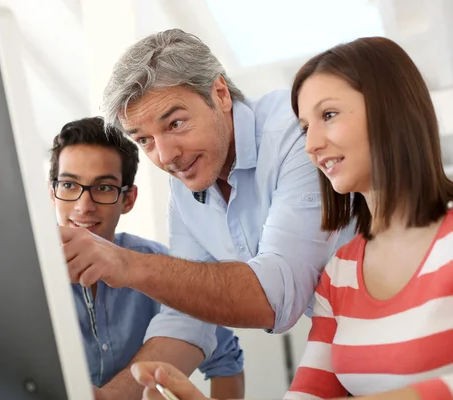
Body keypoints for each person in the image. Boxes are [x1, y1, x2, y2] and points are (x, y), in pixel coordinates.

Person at [130, 36, 453, 399]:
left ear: (390, 110)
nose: (310, 145)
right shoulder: (340, 274)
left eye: (328, 115)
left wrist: (128, 266)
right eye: (304, 128)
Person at [59, 28, 355, 399]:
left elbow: (277, 296)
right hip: (339, 349)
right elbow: (185, 320)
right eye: (145, 140)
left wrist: (127, 265)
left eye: (175, 123)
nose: (165, 156)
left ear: (219, 94)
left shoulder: (295, 132)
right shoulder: (186, 186)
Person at [49, 116, 245, 399]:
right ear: (51, 193)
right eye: (69, 185)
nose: (83, 206)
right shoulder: (20, 281)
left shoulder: (163, 272)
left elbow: (227, 358)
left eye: (103, 188)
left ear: (128, 199)